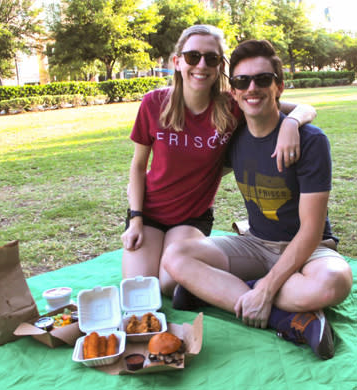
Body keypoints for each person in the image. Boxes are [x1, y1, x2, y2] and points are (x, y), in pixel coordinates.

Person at [163, 39, 353, 360]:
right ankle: (286, 317)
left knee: (334, 283)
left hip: (309, 250)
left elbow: (310, 231)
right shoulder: (233, 137)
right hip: (255, 244)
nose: (252, 88)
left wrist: (266, 287)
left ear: (279, 86)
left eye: (262, 80)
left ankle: (219, 292)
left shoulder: (311, 141)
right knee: (175, 260)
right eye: (242, 81)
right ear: (234, 92)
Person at [121, 25, 316, 297]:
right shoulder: (154, 103)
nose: (201, 65)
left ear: (219, 66)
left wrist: (291, 124)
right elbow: (138, 167)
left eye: (211, 58)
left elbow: (305, 107)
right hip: (150, 213)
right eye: (192, 57)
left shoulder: (232, 104)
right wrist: (135, 219)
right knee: (140, 289)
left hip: (191, 217)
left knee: (167, 284)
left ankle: (211, 285)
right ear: (177, 62)